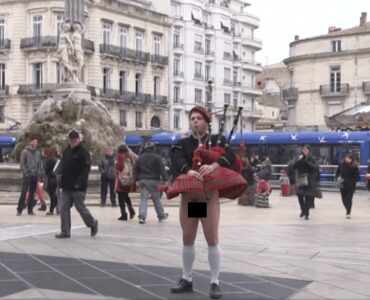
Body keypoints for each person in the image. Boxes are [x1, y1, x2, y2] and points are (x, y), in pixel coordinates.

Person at [168, 106, 247, 299]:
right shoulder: (183, 143)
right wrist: (187, 170)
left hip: (208, 196)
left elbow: (230, 156)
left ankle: (214, 281)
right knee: (188, 237)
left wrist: (214, 164)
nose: (194, 121)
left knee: (211, 238)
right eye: (192, 118)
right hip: (191, 197)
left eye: (198, 118)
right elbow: (176, 159)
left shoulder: (216, 142)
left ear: (206, 121)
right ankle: (186, 278)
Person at [55, 129, 98, 239]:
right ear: (69, 139)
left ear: (78, 139)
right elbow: (62, 165)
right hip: (66, 185)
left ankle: (92, 223)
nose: (73, 141)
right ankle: (65, 231)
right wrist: (59, 176)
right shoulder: (66, 151)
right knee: (64, 208)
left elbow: (86, 169)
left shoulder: (83, 152)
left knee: (80, 208)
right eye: (71, 139)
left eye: (75, 139)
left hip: (78, 186)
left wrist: (80, 182)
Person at [133, 142, 169, 224]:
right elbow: (162, 169)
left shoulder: (140, 158)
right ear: (154, 148)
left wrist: (135, 180)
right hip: (154, 181)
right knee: (156, 199)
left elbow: (135, 170)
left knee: (143, 199)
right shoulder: (157, 157)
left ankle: (142, 217)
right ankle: (161, 215)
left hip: (143, 180)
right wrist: (166, 179)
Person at [16, 137, 43, 216]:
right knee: (24, 192)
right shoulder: (25, 152)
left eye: (36, 142)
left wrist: (39, 173)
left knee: (32, 193)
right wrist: (26, 173)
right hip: (27, 176)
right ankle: (19, 209)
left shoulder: (38, 153)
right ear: (30, 142)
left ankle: (30, 209)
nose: (35, 144)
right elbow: (22, 164)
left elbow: (40, 164)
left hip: (35, 176)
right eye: (34, 142)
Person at [293, 144, 319, 220]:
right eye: (304, 149)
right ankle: (303, 210)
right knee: (300, 195)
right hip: (301, 179)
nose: (305, 151)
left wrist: (306, 162)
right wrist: (299, 160)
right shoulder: (299, 157)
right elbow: (294, 166)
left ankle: (306, 213)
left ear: (309, 151)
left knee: (308, 197)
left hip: (310, 179)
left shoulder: (313, 158)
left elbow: (316, 168)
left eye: (306, 150)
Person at [335, 152, 360, 219]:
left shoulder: (355, 166)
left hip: (351, 185)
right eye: (346, 158)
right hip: (342, 184)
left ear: (352, 159)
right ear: (344, 158)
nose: (348, 159)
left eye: (349, 158)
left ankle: (348, 212)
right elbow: (337, 172)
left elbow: (357, 177)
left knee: (349, 198)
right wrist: (337, 177)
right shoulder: (341, 164)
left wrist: (352, 181)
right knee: (343, 199)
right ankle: (347, 208)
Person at [115, 144, 136, 221]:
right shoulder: (130, 156)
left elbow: (120, 166)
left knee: (120, 197)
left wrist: (116, 165)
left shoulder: (120, 156)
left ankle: (124, 214)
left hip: (121, 179)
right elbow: (134, 166)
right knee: (126, 196)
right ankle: (131, 211)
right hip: (129, 178)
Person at [44, 147, 58, 215]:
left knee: (52, 194)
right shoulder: (57, 160)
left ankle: (52, 209)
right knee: (54, 194)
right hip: (56, 178)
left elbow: (46, 169)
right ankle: (57, 207)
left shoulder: (50, 160)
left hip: (51, 178)